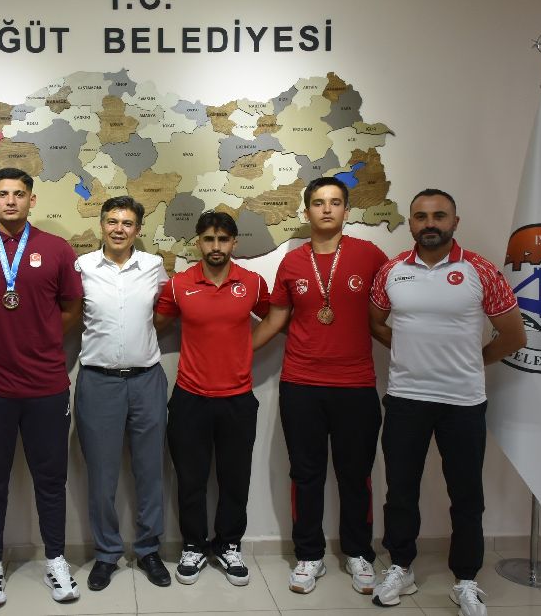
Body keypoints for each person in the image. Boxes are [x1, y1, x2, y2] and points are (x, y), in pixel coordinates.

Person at [368, 189, 526, 616]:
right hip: (406, 399)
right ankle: (401, 567)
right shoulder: (391, 271)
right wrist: (408, 350)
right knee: (401, 491)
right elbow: (376, 323)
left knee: (467, 495)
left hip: (463, 401)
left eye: (439, 216)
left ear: (455, 222)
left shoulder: (480, 270)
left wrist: (471, 361)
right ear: (411, 223)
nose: (430, 223)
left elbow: (514, 335)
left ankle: (466, 579)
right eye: (421, 216)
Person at [0, 168, 84, 606]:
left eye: (19, 194)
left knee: (51, 480)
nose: (10, 201)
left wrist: (41, 339)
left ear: (31, 200)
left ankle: (56, 559)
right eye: (3, 194)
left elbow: (72, 307)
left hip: (46, 386)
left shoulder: (57, 249)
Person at [252, 177, 387, 596]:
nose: (326, 209)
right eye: (318, 202)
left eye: (335, 202)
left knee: (355, 475)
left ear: (347, 210)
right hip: (301, 384)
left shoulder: (370, 256)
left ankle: (358, 553)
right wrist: (235, 353)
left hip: (356, 385)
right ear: (306, 210)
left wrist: (418, 347)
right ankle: (309, 555)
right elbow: (276, 319)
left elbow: (390, 312)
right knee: (305, 474)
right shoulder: (293, 263)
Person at [154, 210, 270, 587]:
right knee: (191, 478)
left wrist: (246, 348)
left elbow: (277, 316)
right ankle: (193, 545)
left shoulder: (252, 283)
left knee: (235, 478)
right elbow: (157, 323)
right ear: (198, 243)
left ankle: (229, 544)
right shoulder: (179, 285)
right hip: (190, 397)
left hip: (238, 398)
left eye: (222, 239)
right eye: (208, 239)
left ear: (233, 243)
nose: (215, 246)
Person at [74, 196, 171, 591]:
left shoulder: (153, 266)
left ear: (138, 229)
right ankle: (106, 553)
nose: (119, 229)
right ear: (101, 225)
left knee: (150, 470)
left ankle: (148, 549)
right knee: (101, 475)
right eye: (112, 221)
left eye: (127, 223)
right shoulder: (81, 267)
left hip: (146, 380)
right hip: (98, 382)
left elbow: (163, 314)